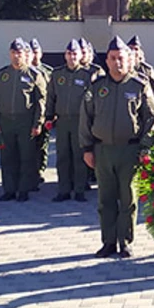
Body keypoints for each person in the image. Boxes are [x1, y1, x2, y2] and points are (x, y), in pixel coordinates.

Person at [81, 36, 154, 257]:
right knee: (105, 199)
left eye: (121, 58)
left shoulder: (139, 85)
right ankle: (108, 241)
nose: (117, 63)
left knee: (128, 198)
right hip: (103, 151)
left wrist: (145, 147)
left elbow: (152, 118)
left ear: (130, 60)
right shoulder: (97, 87)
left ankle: (125, 241)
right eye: (113, 58)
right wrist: (87, 147)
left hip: (130, 151)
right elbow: (86, 118)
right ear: (107, 61)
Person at [0, 38, 47, 203]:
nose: (16, 56)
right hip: (6, 122)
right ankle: (9, 189)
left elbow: (41, 101)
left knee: (26, 157)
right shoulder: (2, 75)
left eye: (19, 53)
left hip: (25, 122)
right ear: (10, 54)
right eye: (14, 53)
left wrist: (38, 123)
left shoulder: (34, 75)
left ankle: (23, 190)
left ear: (25, 54)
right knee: (7, 157)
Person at [47, 39, 101, 202]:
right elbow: (51, 96)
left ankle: (79, 190)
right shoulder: (57, 74)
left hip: (81, 121)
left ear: (80, 56)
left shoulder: (87, 75)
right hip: (63, 121)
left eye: (75, 54)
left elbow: (95, 100)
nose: (72, 57)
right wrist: (49, 116)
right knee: (62, 156)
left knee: (79, 156)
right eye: (69, 54)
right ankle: (63, 189)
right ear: (65, 55)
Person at [29, 39, 53, 188]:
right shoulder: (25, 71)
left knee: (42, 145)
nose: (35, 55)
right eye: (32, 52)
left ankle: (39, 171)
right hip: (29, 114)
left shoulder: (48, 71)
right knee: (29, 146)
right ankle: (30, 173)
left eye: (37, 52)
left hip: (45, 113)